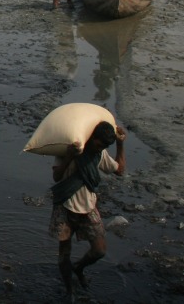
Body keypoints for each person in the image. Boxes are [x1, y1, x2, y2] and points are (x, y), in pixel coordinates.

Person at [50, 121, 127, 298]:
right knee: (64, 254)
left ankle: (78, 268)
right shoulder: (68, 150)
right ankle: (69, 291)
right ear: (92, 138)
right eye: (99, 145)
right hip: (65, 206)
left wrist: (121, 144)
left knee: (99, 250)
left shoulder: (99, 154)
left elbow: (120, 170)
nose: (100, 149)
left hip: (88, 207)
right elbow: (56, 176)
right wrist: (69, 156)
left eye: (104, 147)